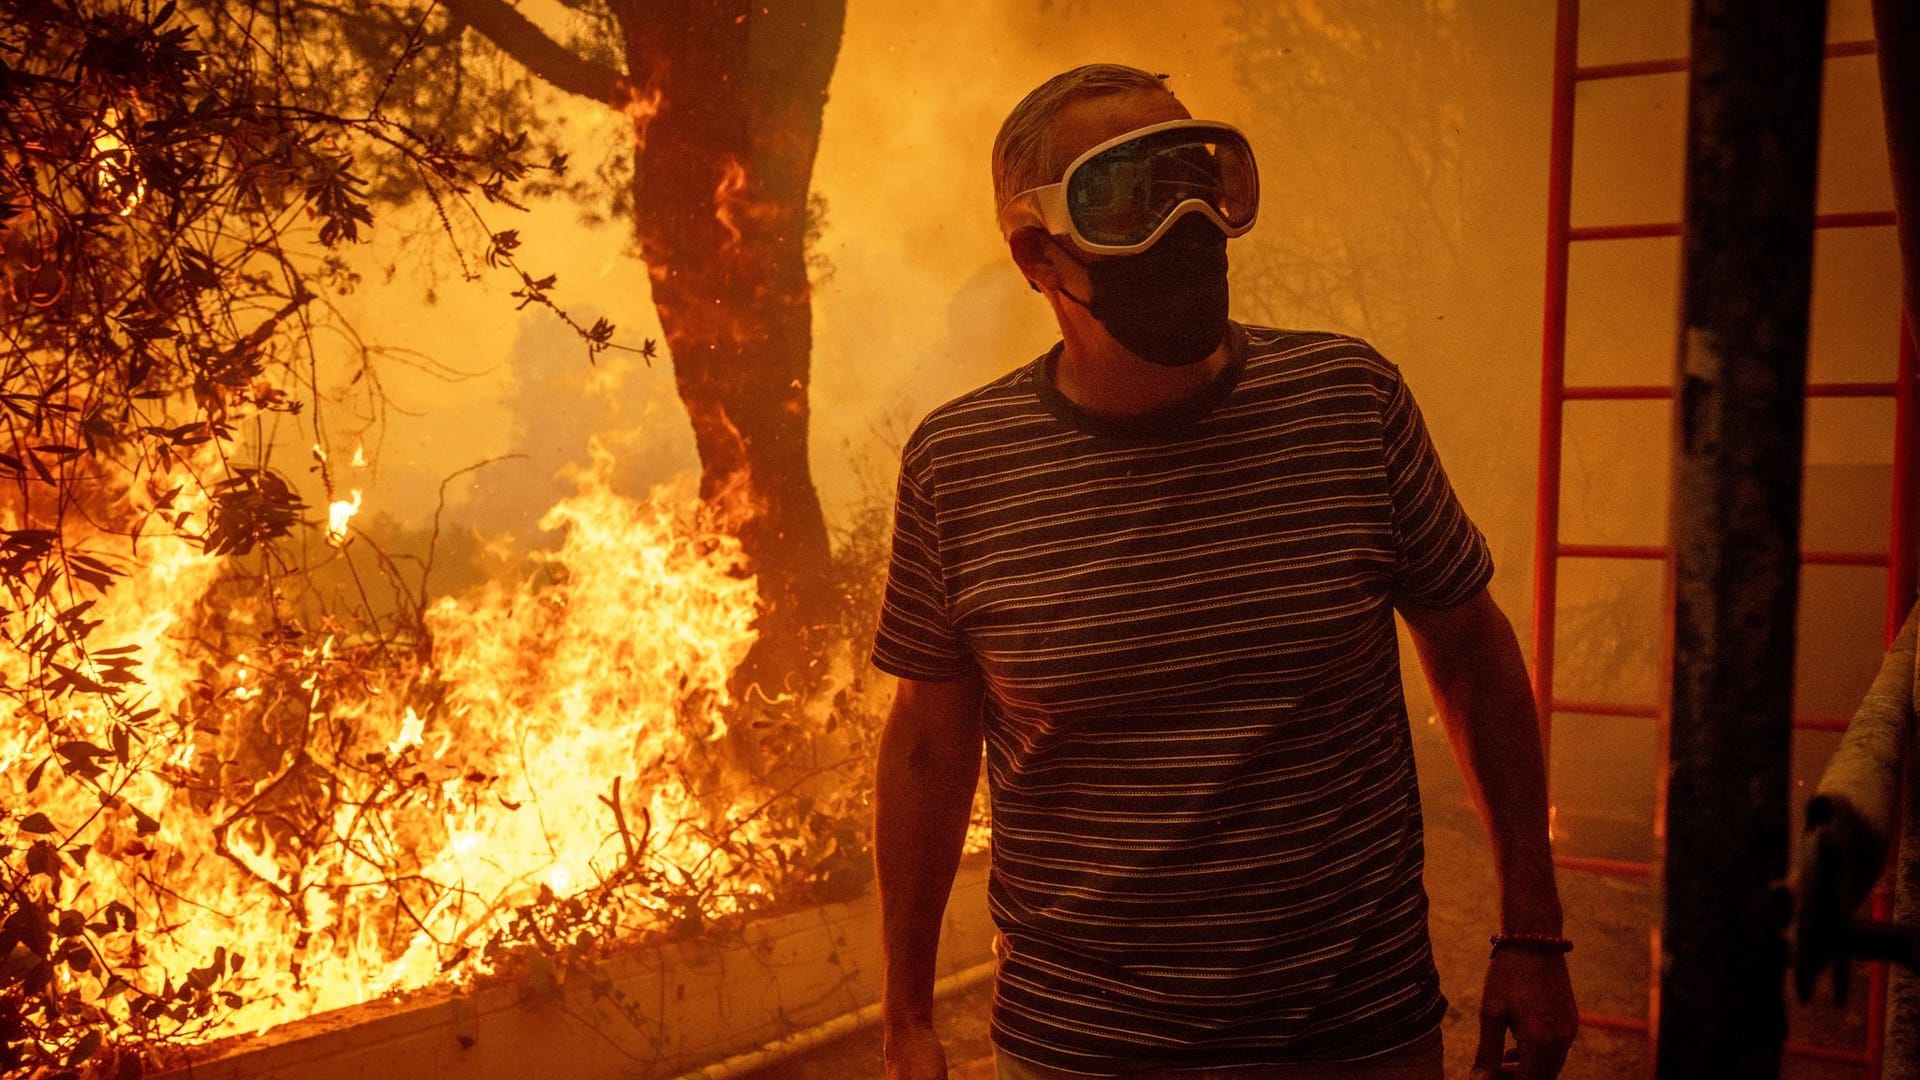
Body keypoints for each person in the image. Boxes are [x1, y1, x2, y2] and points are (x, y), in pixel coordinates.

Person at [871, 64, 1578, 1080]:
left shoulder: (1349, 402)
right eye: (1131, 197)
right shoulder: (961, 465)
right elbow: (931, 749)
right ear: (1039, 253)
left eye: (1201, 177)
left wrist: (1534, 933)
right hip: (1086, 1052)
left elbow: (1470, 652)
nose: (1189, 221)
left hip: (1359, 1040)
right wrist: (906, 1016)